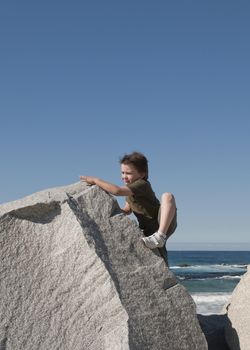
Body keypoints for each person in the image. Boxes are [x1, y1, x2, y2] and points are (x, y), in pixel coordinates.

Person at [80, 151, 177, 262]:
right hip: (148, 229)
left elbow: (117, 191)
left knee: (167, 196)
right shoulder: (130, 190)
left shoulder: (142, 184)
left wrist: (96, 180)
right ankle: (159, 243)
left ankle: (160, 235)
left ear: (142, 174)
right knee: (160, 257)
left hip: (161, 223)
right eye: (122, 173)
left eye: (129, 173)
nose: (124, 177)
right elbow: (127, 209)